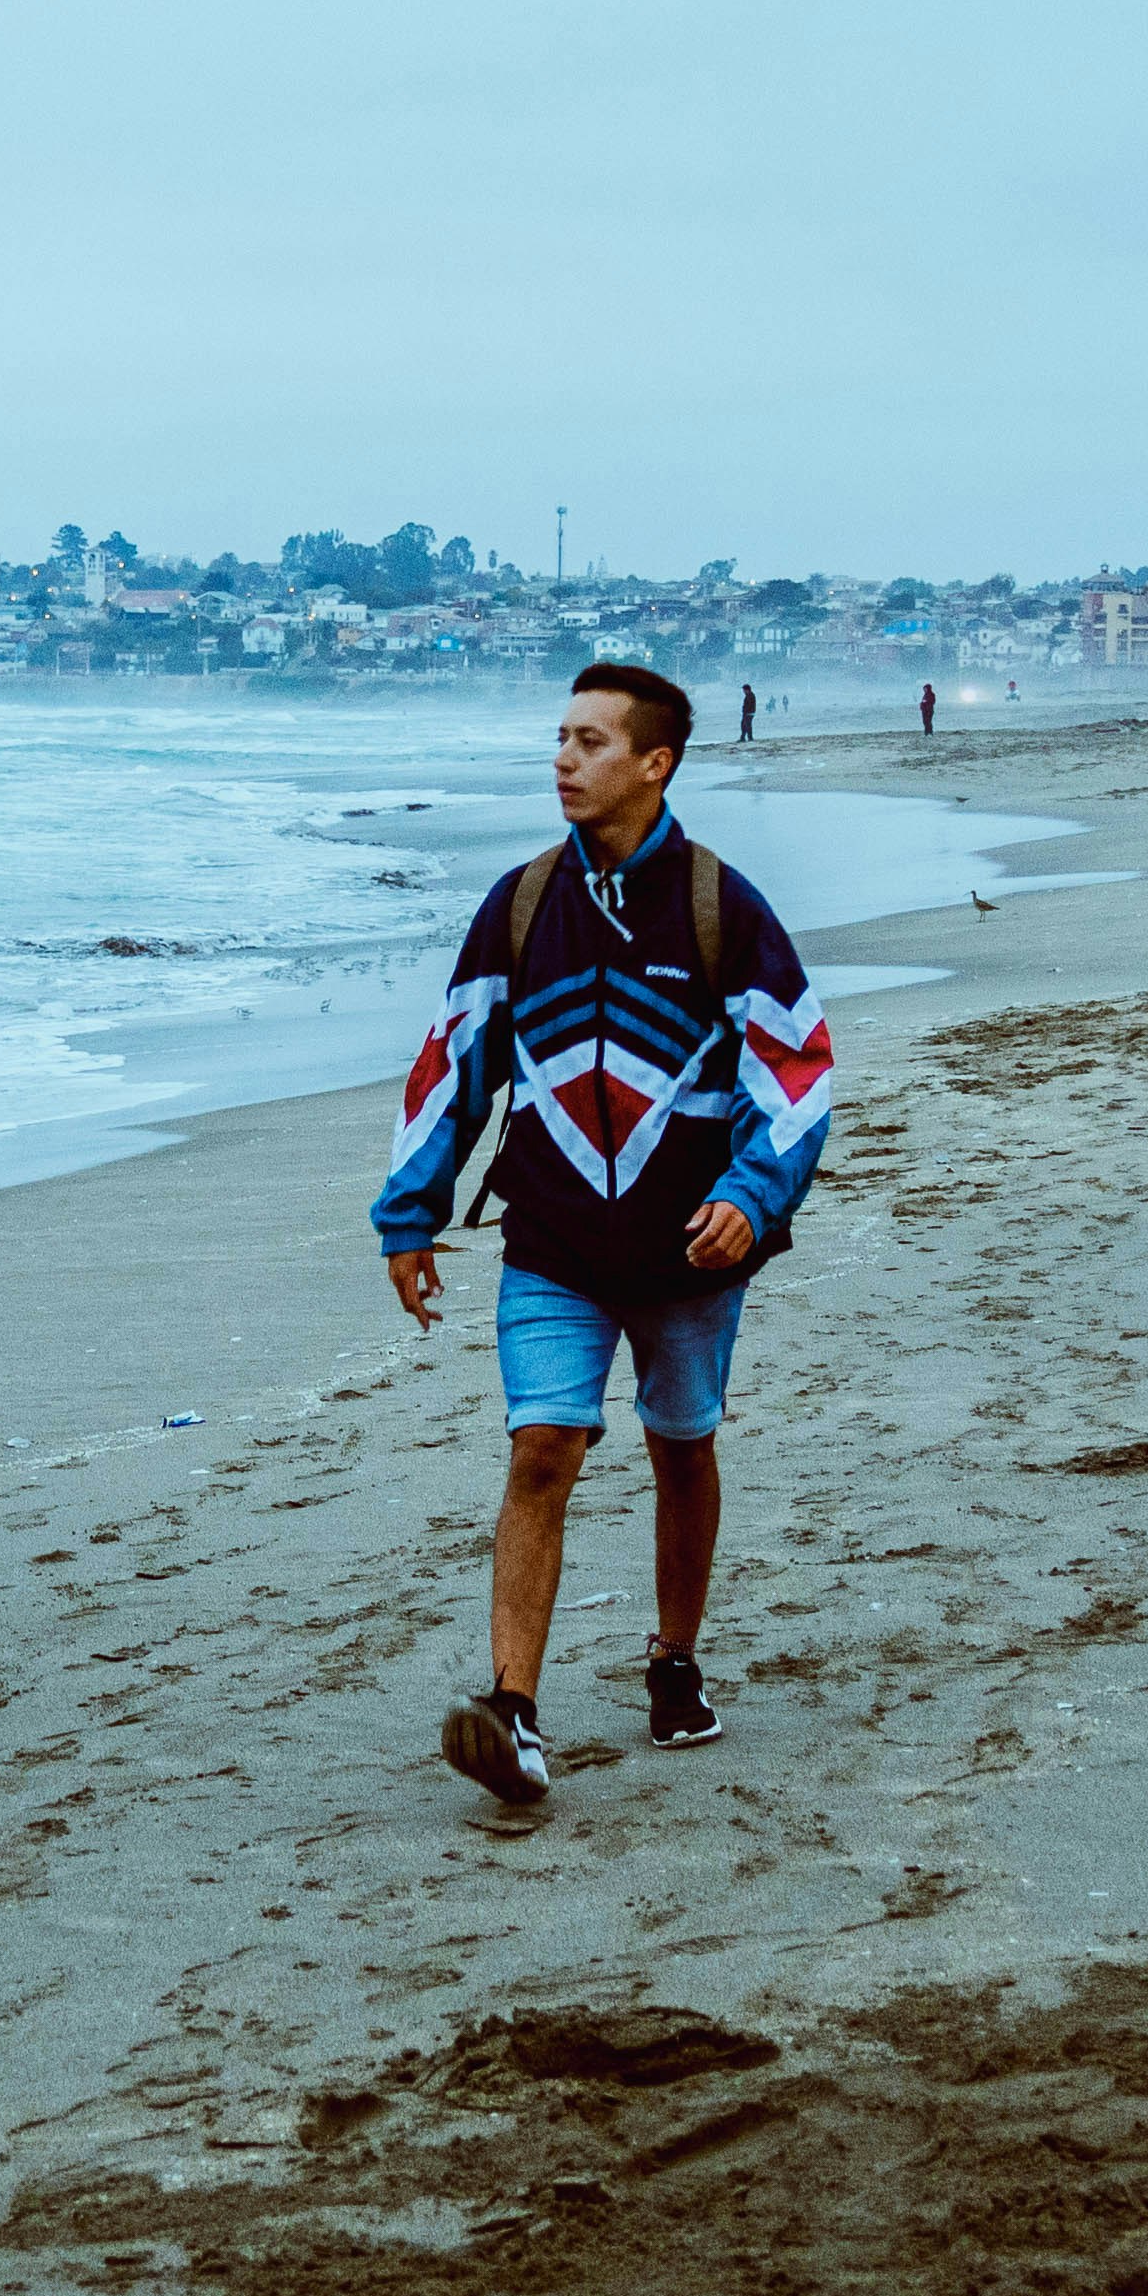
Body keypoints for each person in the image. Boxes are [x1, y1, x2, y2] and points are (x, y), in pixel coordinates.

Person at [373, 665, 833, 1810]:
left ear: (654, 762)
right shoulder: (523, 903)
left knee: (682, 1446)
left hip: (692, 1251)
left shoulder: (724, 907)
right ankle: (513, 1715)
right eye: (560, 738)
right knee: (543, 1450)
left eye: (589, 741)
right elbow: (454, 1063)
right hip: (553, 1242)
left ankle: (674, 1662)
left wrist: (753, 1195)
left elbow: (796, 1072)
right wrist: (410, 1210)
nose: (564, 760)